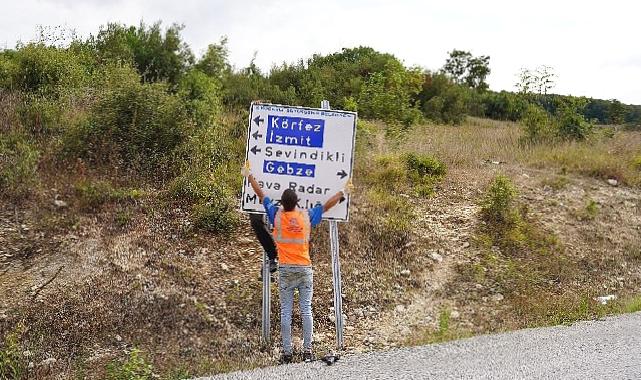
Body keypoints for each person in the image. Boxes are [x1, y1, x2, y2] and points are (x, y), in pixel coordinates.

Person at [242, 162, 351, 364]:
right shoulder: (306, 216)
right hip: (304, 268)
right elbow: (327, 205)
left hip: (285, 269)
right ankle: (307, 351)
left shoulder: (276, 215)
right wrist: (342, 192)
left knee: (286, 312)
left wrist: (249, 175)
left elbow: (261, 194)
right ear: (297, 202)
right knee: (306, 309)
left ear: (282, 203)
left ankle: (287, 353)